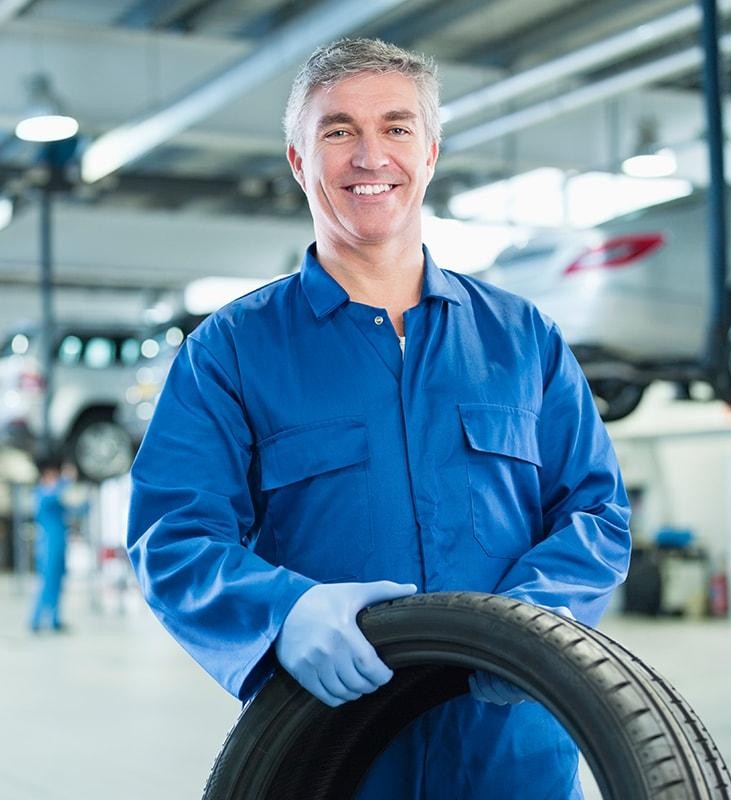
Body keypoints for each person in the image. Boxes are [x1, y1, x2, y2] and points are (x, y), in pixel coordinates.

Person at [127, 38, 631, 798]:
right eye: (338, 131)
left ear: (428, 153)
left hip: (512, 753)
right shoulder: (230, 353)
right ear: (299, 161)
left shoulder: (524, 340)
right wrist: (285, 613)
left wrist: (534, 623)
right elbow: (173, 537)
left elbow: (595, 511)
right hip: (331, 754)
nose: (370, 156)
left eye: (395, 129)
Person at [29, 455, 76, 632]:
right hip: (47, 546)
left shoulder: (56, 494)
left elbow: (71, 508)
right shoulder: (41, 492)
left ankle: (55, 620)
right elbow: (51, 498)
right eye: (53, 474)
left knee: (59, 582)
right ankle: (35, 620)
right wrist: (66, 480)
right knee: (47, 582)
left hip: (60, 544)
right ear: (46, 474)